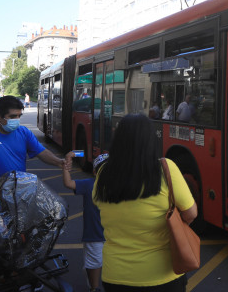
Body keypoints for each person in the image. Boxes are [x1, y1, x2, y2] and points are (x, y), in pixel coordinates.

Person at [94, 114, 196, 291]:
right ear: (150, 140)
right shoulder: (166, 169)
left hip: (116, 275)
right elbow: (191, 213)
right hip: (163, 275)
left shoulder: (103, 173)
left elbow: (98, 204)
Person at [63, 152, 108, 292]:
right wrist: (66, 164)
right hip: (94, 234)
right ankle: (94, 288)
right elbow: (68, 183)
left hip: (113, 235)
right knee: (95, 263)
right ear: (95, 172)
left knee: (108, 262)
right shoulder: (89, 184)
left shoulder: (119, 186)